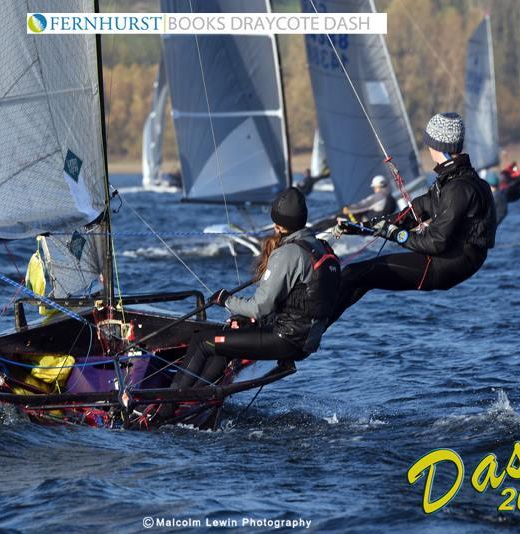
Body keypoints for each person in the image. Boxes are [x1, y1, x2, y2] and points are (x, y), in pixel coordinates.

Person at [157, 188, 341, 418]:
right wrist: (246, 318)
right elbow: (297, 301)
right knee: (225, 342)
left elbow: (260, 307)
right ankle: (194, 399)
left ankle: (165, 407)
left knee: (202, 341)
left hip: (286, 339)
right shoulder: (321, 246)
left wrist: (226, 300)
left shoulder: (288, 254)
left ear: (279, 225)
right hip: (304, 339)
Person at [331, 112, 497, 320]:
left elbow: (436, 242)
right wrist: (361, 227)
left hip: (450, 263)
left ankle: (312, 325)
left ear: (438, 146)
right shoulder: (450, 181)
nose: (428, 149)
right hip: (447, 259)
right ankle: (319, 324)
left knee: (355, 273)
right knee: (360, 276)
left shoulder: (460, 188)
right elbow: (411, 214)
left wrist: (395, 234)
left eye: (429, 143)